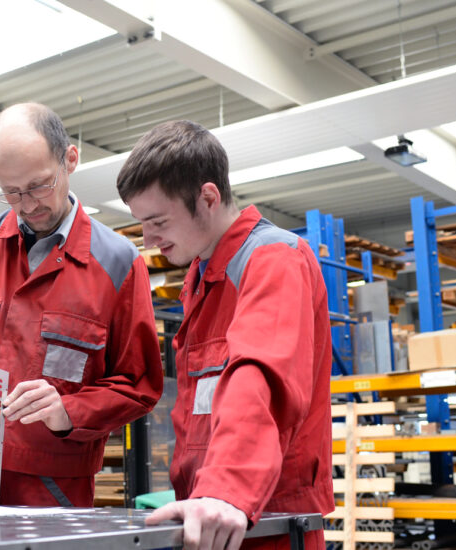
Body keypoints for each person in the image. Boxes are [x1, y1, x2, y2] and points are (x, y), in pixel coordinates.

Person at [0, 102, 164, 507]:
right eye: (11, 192)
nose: (28, 204)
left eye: (38, 185)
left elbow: (138, 385)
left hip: (54, 490)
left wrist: (68, 411)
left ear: (70, 159)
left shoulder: (118, 263)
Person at [116, 120, 334, 550]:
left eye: (158, 220)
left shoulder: (273, 260)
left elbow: (258, 377)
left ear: (208, 197)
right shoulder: (200, 278)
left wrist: (225, 488)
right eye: (141, 223)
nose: (148, 238)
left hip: (264, 520)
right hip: (211, 517)